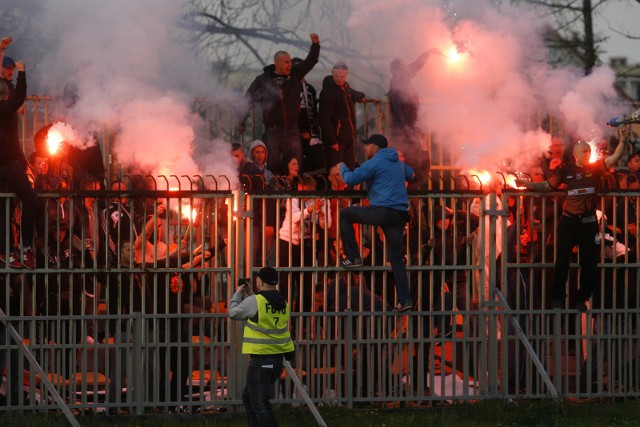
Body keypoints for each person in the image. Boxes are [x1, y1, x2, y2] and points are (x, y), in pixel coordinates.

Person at [515, 133, 629, 311]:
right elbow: (547, 186)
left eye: (589, 151)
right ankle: (558, 298)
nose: (587, 154)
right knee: (561, 261)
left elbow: (616, 156)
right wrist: (526, 184)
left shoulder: (597, 167)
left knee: (589, 263)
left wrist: (623, 140)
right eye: (584, 151)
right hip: (568, 222)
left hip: (589, 223)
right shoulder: (566, 170)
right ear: (575, 153)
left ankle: (581, 299)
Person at [338, 134, 415, 312]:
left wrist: (342, 167)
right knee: (396, 258)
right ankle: (405, 300)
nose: (365, 148)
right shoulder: (397, 161)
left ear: (375, 147)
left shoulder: (375, 162)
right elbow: (412, 174)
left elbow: (349, 179)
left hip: (382, 211)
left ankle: (353, 257)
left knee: (345, 215)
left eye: (367, 145)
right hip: (400, 215)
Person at [239, 34, 321, 174]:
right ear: (277, 63)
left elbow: (311, 62)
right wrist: (242, 121)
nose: (290, 65)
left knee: (295, 164)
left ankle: (293, 192)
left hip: (292, 129)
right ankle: (273, 192)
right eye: (286, 62)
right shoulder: (263, 80)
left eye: (290, 62)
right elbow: (248, 99)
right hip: (272, 130)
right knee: (271, 164)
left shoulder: (295, 74)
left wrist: (315, 45)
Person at [228, 267, 295, 427]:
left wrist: (238, 293)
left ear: (261, 281)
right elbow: (263, 311)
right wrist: (251, 295)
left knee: (259, 403)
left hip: (260, 361)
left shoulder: (255, 301)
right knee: (249, 397)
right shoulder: (282, 302)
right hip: (277, 361)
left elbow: (233, 313)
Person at [0, 44, 37, 269]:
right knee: (31, 201)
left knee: (3, 207)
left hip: (6, 164)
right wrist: (23, 73)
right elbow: (19, 97)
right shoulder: (4, 108)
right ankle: (26, 250)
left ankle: (5, 252)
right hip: (9, 165)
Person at [388, 50, 439, 180]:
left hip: (407, 130)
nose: (406, 71)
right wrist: (427, 54)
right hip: (406, 132)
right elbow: (416, 66)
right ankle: (410, 191)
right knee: (412, 165)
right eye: (403, 69)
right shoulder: (399, 85)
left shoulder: (399, 85)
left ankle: (410, 189)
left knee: (410, 165)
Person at [318, 62, 366, 170]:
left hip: (348, 136)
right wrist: (332, 141)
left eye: (342, 77)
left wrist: (359, 97)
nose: (339, 79)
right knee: (336, 171)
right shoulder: (328, 91)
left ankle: (348, 187)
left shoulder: (345, 87)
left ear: (346, 74)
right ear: (332, 73)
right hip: (336, 139)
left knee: (350, 169)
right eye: (337, 76)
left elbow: (355, 94)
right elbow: (323, 117)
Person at [291, 57, 325, 175]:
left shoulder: (310, 89)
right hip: (292, 133)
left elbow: (314, 113)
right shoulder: (287, 89)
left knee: (320, 160)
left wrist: (311, 133)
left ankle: (308, 182)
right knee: (295, 160)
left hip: (310, 134)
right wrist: (298, 133)